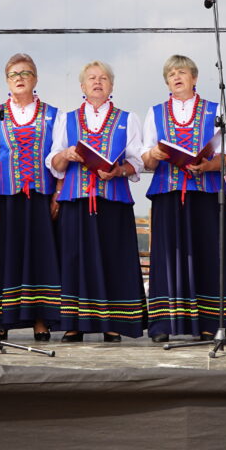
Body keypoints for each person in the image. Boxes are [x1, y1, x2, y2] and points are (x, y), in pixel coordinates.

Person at [140, 55, 226, 343]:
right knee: (169, 257)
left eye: (182, 72)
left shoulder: (214, 110)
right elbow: (145, 158)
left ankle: (211, 322)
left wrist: (209, 165)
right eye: (171, 73)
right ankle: (165, 324)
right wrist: (154, 155)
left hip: (206, 194)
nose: (177, 77)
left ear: (194, 78)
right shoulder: (156, 112)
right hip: (169, 192)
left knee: (209, 256)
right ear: (166, 81)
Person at [46, 61, 147, 342]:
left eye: (103, 78)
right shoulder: (66, 119)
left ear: (111, 86)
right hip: (76, 200)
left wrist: (118, 170)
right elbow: (53, 162)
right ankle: (73, 323)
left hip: (112, 200)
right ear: (82, 86)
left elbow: (137, 161)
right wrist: (66, 154)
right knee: (74, 261)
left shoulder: (128, 119)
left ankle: (112, 323)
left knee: (112, 260)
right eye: (92, 78)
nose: (98, 82)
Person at [0, 53, 61, 341]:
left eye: (26, 73)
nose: (20, 78)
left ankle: (41, 320)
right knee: (7, 258)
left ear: (36, 78)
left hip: (41, 197)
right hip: (7, 197)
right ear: (6, 80)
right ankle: (2, 319)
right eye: (14, 74)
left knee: (41, 259)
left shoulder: (54, 114)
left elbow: (58, 157)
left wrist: (57, 193)